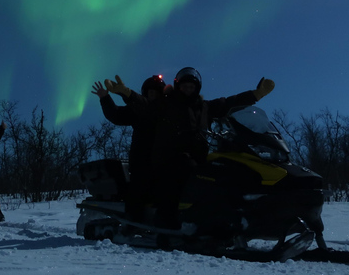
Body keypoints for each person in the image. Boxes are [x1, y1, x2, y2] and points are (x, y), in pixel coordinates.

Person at [105, 67, 275, 229]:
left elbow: (228, 103)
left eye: (191, 86)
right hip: (169, 158)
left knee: (221, 170)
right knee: (183, 167)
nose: (188, 89)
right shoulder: (167, 104)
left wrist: (256, 95)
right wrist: (127, 93)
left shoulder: (204, 106)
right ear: (179, 86)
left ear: (197, 88)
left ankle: (224, 218)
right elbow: (146, 105)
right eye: (185, 86)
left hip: (197, 157)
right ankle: (166, 219)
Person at [91, 74, 169, 221]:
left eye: (156, 92)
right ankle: (132, 223)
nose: (152, 94)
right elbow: (116, 115)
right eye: (149, 92)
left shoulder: (166, 110)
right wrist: (105, 98)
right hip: (141, 161)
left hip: (164, 161)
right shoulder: (138, 110)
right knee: (138, 192)